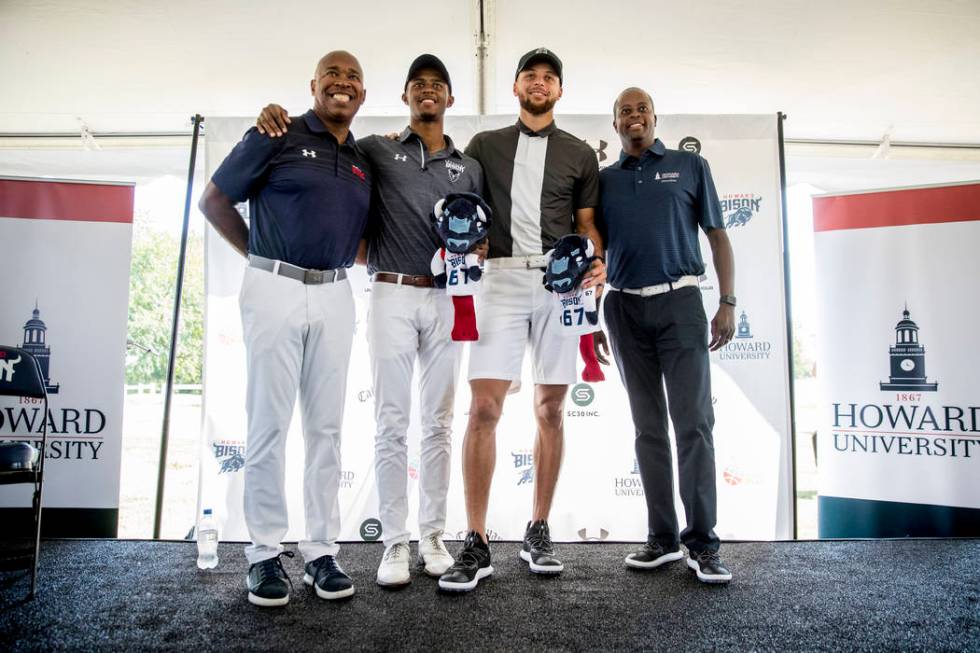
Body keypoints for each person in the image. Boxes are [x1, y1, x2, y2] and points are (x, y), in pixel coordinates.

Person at [254, 54, 484, 587]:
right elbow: (330, 158)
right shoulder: (375, 149)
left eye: (438, 86)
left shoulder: (468, 167)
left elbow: (480, 233)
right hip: (390, 294)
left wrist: (474, 250)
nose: (428, 92)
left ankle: (432, 534)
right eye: (417, 85)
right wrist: (274, 116)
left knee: (440, 422)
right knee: (391, 423)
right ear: (404, 96)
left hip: (450, 298)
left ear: (450, 99)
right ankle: (395, 542)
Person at [198, 50, 370, 607]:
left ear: (362, 94)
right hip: (273, 287)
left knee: (327, 430)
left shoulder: (364, 159)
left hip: (336, 292)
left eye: (353, 78)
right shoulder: (276, 132)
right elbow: (214, 200)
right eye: (333, 76)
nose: (343, 84)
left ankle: (321, 552)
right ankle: (264, 554)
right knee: (269, 424)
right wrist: (259, 256)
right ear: (314, 86)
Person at [437, 48, 606, 592]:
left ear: (560, 91)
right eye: (530, 76)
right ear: (515, 88)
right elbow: (460, 205)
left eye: (548, 78)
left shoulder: (580, 154)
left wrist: (596, 258)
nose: (539, 83)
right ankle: (477, 540)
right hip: (500, 280)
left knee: (550, 408)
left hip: (561, 286)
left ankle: (537, 528)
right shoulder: (484, 145)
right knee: (484, 406)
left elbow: (588, 225)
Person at [596, 87, 735, 584]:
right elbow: (594, 253)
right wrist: (592, 318)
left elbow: (718, 235)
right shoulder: (603, 180)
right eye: (624, 111)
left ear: (654, 118)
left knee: (694, 423)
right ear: (615, 124)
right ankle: (662, 538)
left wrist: (727, 301)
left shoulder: (689, 167)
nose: (633, 116)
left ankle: (704, 542)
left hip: (681, 304)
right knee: (647, 427)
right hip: (624, 306)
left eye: (641, 109)